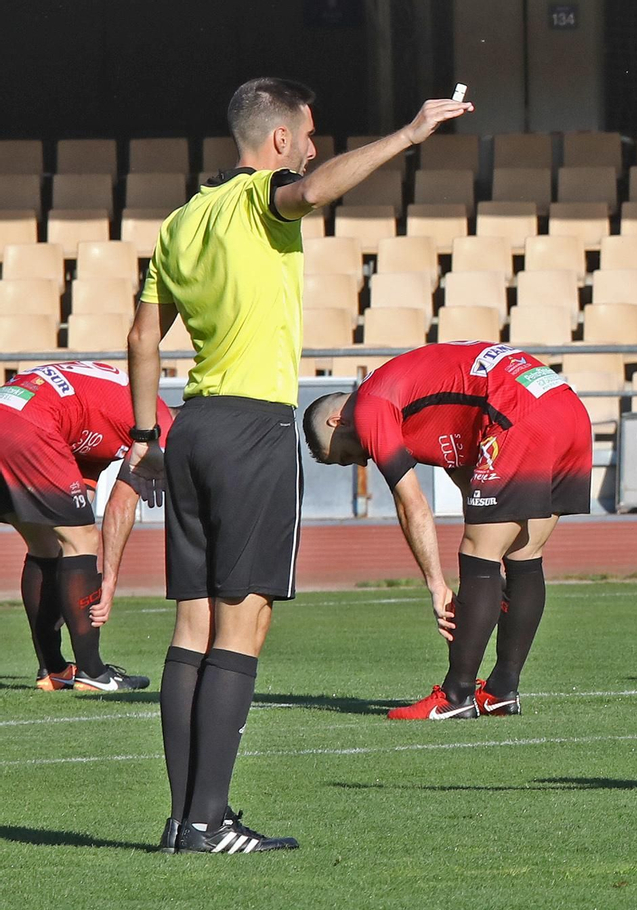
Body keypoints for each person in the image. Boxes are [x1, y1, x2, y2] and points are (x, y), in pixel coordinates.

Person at [126, 77, 474, 854]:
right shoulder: (260, 196)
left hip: (192, 426)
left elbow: (143, 338)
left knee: (191, 624)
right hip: (251, 426)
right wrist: (411, 135)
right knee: (244, 622)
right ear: (278, 140)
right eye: (308, 133)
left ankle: (183, 818)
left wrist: (146, 434)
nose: (313, 146)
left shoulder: (181, 221)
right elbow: (311, 190)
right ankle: (210, 820)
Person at [301, 341, 591, 720]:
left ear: (335, 421)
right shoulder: (413, 401)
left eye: (344, 455)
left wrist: (437, 584)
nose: (360, 460)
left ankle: (455, 696)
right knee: (522, 555)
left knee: (478, 556)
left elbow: (411, 504)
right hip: (566, 409)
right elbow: (468, 473)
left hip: (519, 415)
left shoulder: (371, 405)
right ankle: (502, 690)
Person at [1, 361, 171, 691]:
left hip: (12, 409)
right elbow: (121, 503)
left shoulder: (109, 419)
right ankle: (94, 674)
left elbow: (82, 487)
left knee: (45, 544)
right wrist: (108, 580)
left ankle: (53, 671)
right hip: (33, 424)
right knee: (83, 541)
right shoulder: (158, 421)